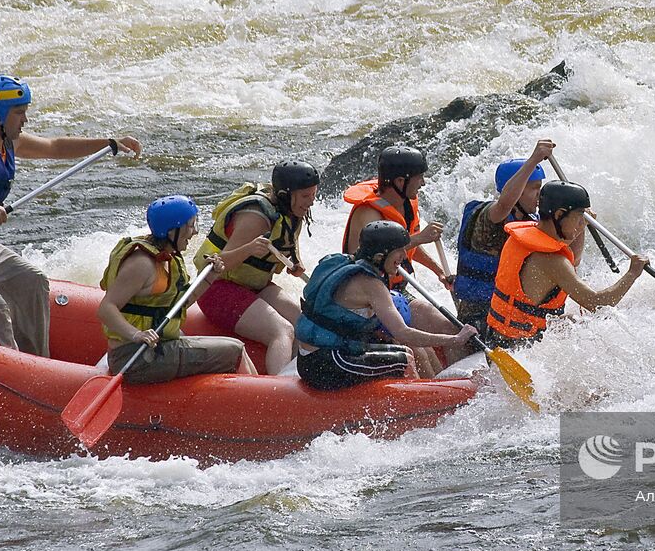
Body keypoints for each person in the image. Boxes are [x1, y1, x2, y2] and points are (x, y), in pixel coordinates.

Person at [0, 74, 141, 356]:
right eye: (19, 113)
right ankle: (11, 370)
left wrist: (109, 142)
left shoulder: (7, 140)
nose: (25, 119)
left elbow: (54, 147)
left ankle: (36, 362)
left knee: (32, 281)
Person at [295, 221, 477, 390]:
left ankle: (438, 389)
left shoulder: (339, 261)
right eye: (399, 251)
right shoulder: (371, 284)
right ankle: (426, 405)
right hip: (327, 364)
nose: (404, 256)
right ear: (379, 256)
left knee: (399, 346)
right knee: (405, 359)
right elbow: (404, 333)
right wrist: (455, 339)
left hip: (310, 358)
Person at [97, 196, 256, 384]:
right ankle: (260, 403)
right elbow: (106, 308)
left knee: (230, 347)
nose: (195, 232)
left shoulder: (167, 258)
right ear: (171, 231)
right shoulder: (142, 264)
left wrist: (209, 276)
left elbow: (181, 303)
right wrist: (137, 334)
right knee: (235, 350)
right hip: (136, 357)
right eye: (190, 225)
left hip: (156, 349)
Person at [484, 180, 648, 348]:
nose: (580, 223)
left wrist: (581, 225)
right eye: (579, 217)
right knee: (600, 325)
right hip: (519, 350)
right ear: (559, 214)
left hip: (496, 337)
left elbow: (572, 259)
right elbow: (596, 304)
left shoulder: (524, 234)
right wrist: (632, 274)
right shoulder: (552, 261)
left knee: (575, 320)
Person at [192, 161, 318, 374]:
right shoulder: (255, 218)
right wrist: (249, 249)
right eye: (306, 196)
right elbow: (218, 264)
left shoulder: (290, 210)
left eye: (313, 195)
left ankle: (298, 378)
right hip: (218, 289)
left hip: (254, 287)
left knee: (305, 325)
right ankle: (278, 390)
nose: (311, 202)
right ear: (285, 194)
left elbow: (287, 241)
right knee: (282, 330)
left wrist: (294, 262)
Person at [454, 139, 556, 328]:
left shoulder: (532, 223)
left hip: (513, 312)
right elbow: (504, 204)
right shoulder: (489, 216)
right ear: (515, 190)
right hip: (480, 312)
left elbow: (570, 263)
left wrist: (578, 224)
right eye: (534, 188)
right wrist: (533, 160)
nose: (540, 195)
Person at [341, 144, 448, 289]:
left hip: (392, 287)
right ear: (400, 181)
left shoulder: (406, 203)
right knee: (427, 312)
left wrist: (439, 272)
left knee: (432, 312)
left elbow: (409, 247)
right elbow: (375, 256)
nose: (423, 183)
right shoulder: (369, 214)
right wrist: (420, 238)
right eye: (419, 178)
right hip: (365, 291)